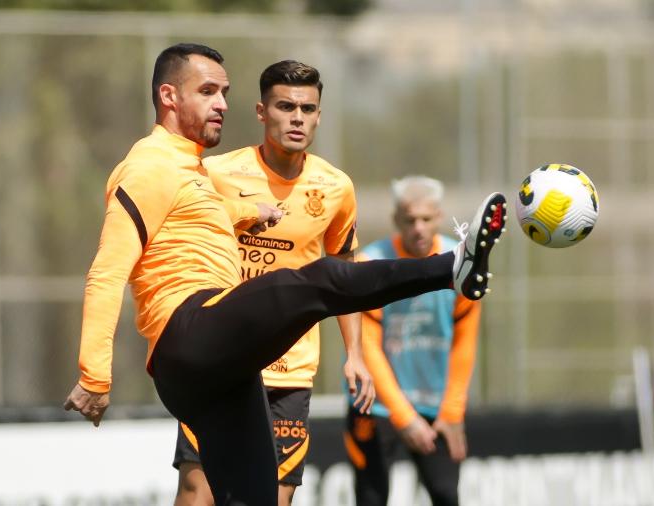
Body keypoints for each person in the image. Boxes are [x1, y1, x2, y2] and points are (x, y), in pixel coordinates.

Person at [62, 42, 507, 506]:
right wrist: (95, 376)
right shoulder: (148, 165)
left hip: (220, 371)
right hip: (189, 332)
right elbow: (107, 273)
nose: (221, 104)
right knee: (316, 280)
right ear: (170, 97)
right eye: (208, 91)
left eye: (224, 92)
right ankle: (452, 266)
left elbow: (193, 213)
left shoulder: (188, 169)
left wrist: (246, 210)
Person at [171, 59, 370, 506]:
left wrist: (355, 354)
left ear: (319, 115)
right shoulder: (217, 173)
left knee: (272, 498)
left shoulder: (335, 187)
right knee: (197, 488)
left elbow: (344, 273)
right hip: (221, 357)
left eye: (307, 108)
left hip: (291, 368)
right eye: (285, 106)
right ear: (262, 112)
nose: (297, 118)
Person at [344, 176, 481, 506]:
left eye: (426, 219)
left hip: (437, 405)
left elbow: (465, 341)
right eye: (409, 220)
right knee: (371, 499)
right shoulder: (371, 263)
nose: (418, 228)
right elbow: (368, 348)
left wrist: (452, 412)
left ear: (439, 217)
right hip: (375, 404)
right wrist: (404, 418)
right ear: (396, 221)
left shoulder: (459, 262)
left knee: (447, 495)